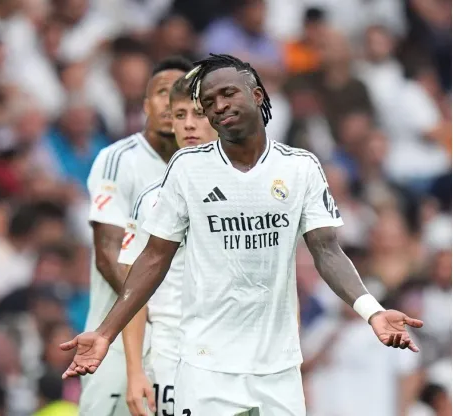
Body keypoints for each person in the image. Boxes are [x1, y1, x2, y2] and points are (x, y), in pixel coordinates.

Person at [61, 54, 424, 415]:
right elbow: (154, 257)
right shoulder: (188, 170)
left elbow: (327, 251)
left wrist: (372, 311)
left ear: (258, 95)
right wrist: (106, 333)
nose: (219, 106)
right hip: (206, 368)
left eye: (228, 94)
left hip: (278, 368)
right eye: (208, 102)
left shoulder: (300, 167)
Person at [80, 56, 194, 416]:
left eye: (181, 95)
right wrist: (148, 310)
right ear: (146, 105)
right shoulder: (119, 159)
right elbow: (107, 253)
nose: (169, 102)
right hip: (115, 337)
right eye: (162, 92)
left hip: (176, 341)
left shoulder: (200, 169)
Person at [118, 75, 217, 416]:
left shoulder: (253, 195)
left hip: (234, 360)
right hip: (170, 357)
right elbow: (133, 293)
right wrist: (134, 373)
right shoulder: (150, 200)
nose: (189, 125)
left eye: (199, 114)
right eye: (179, 115)